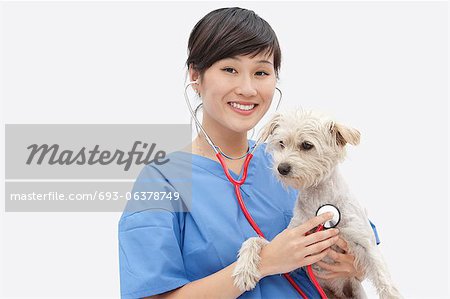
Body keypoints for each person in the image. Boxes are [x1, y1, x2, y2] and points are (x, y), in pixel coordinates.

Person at [119, 7, 368, 299]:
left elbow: (361, 248)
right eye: (230, 70)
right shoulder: (162, 181)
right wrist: (264, 263)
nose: (248, 89)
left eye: (261, 72)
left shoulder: (293, 161)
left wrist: (354, 264)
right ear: (196, 76)